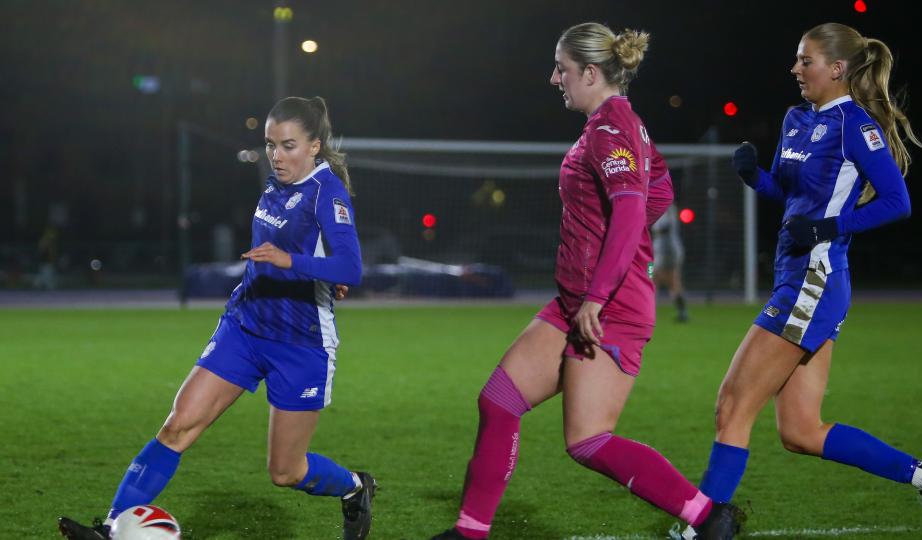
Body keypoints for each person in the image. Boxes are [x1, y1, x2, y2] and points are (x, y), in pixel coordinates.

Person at [430, 22, 744, 540]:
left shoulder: (612, 130)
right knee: (499, 401)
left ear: (591, 73)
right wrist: (607, 255)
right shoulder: (619, 125)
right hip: (575, 302)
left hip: (609, 309)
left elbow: (630, 210)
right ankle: (470, 532)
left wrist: (602, 286)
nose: (556, 79)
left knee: (588, 440)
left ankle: (708, 519)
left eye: (563, 69)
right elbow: (659, 190)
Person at [671, 22, 922, 540]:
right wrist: (754, 177)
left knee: (732, 406)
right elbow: (790, 195)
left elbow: (897, 202)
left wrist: (830, 227)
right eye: (797, 60)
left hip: (814, 279)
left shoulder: (856, 125)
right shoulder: (796, 118)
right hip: (794, 275)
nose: (795, 69)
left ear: (837, 68)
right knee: (800, 432)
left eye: (805, 60)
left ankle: (701, 528)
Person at [58, 96, 377, 540]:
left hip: (299, 344)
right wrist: (296, 266)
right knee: (178, 424)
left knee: (285, 472)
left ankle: (355, 488)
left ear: (315, 147)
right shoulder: (275, 184)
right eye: (270, 145)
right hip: (244, 327)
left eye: (287, 146)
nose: (276, 156)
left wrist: (295, 263)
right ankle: (113, 526)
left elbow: (351, 269)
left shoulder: (329, 193)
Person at [651, 203, 689, 322]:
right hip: (659, 250)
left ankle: (646, 311)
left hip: (666, 251)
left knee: (652, 277)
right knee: (669, 281)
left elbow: (664, 228)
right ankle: (682, 312)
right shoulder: (663, 206)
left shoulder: (665, 206)